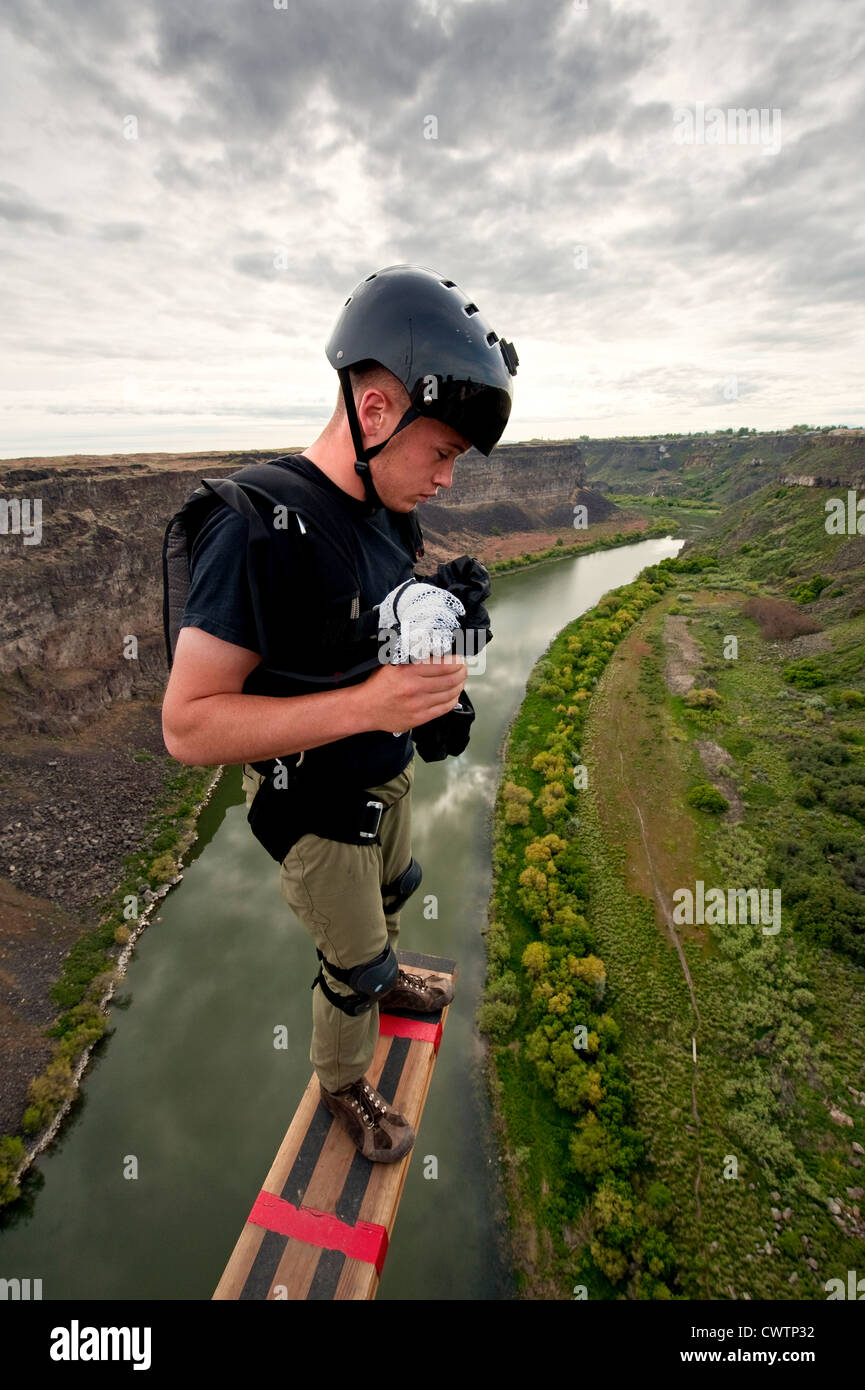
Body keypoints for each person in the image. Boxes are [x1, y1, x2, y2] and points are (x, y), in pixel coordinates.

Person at [161, 264, 518, 1162]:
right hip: (314, 809)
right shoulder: (250, 525)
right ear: (375, 412)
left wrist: (444, 628)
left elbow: (365, 626)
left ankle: (389, 979)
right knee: (351, 966)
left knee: (394, 900)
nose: (445, 478)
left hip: (381, 776)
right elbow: (188, 727)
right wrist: (369, 701)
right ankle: (344, 1084)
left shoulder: (385, 514)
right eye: (438, 452)